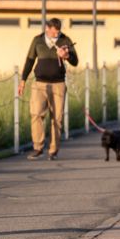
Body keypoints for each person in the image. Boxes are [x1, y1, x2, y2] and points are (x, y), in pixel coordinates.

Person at [18, 17, 77, 160]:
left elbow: (75, 61)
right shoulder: (37, 40)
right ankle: (38, 148)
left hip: (58, 84)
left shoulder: (65, 40)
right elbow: (30, 60)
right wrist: (23, 80)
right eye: (54, 33)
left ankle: (53, 150)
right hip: (39, 84)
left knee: (56, 118)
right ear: (47, 29)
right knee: (36, 114)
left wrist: (67, 55)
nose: (56, 35)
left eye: (58, 32)